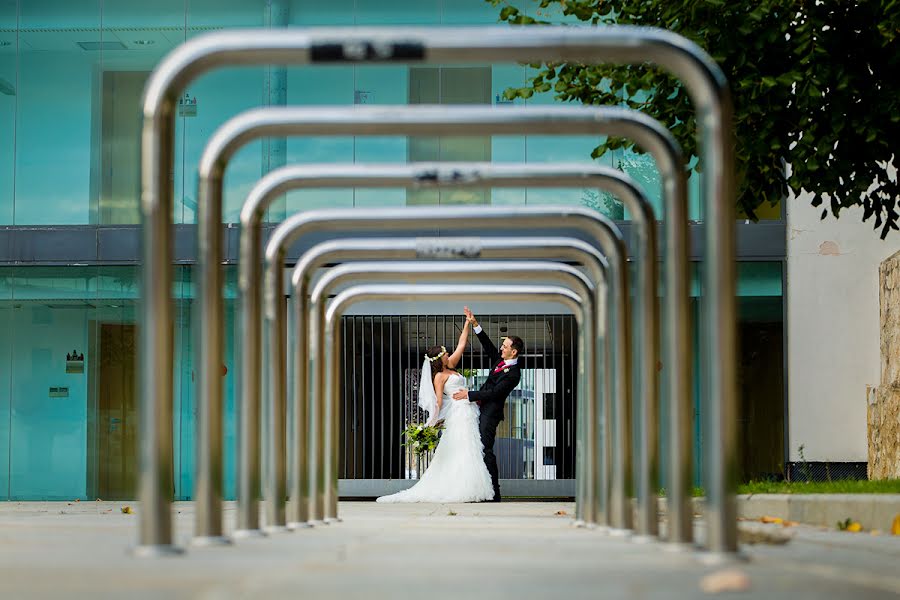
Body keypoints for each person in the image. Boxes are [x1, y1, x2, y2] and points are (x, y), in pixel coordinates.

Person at [376, 317, 494, 503]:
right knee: (461, 448)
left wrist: (467, 324)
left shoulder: (452, 367)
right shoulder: (439, 376)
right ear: (439, 359)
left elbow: (461, 345)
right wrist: (431, 423)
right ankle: (460, 488)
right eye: (445, 354)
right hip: (458, 414)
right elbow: (438, 401)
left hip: (469, 411)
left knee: (471, 447)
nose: (449, 355)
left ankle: (470, 486)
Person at [452, 306, 523, 503]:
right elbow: (489, 346)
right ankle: (479, 488)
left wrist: (469, 395)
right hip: (479, 409)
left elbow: (494, 393)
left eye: (506, 346)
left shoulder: (514, 375)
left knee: (485, 450)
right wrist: (475, 325)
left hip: (490, 413)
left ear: (513, 351)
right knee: (475, 448)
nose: (502, 348)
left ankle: (494, 492)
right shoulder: (499, 361)